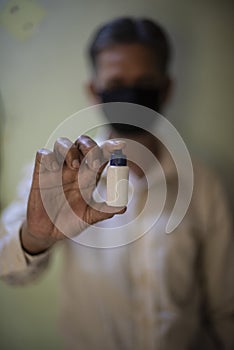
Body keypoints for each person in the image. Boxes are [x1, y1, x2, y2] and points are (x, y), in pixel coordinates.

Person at [1, 17, 234, 350]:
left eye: (144, 83)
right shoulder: (57, 178)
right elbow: (10, 270)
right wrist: (35, 237)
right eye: (117, 82)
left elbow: (226, 308)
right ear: (94, 91)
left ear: (166, 89)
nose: (130, 93)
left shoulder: (204, 184)